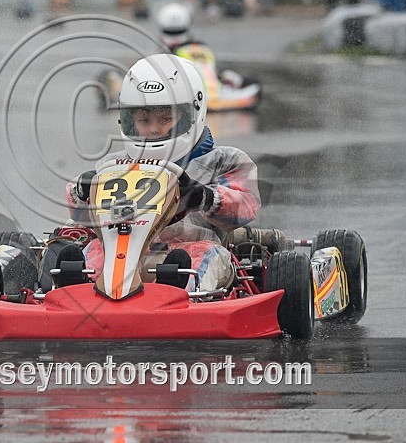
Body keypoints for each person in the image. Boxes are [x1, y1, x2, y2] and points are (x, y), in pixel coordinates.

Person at [67, 53, 262, 292]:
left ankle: (180, 296)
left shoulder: (223, 161)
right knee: (93, 252)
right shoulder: (113, 165)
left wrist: (205, 197)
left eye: (165, 119)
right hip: (122, 250)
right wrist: (82, 192)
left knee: (202, 257)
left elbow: (246, 206)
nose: (153, 129)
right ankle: (74, 293)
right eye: (144, 120)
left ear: (192, 113)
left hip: (189, 251)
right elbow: (80, 216)